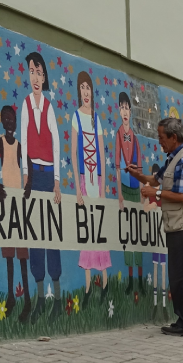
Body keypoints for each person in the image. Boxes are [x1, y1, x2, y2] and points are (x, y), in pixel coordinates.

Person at [127, 117, 183, 337]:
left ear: (173, 137)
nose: (159, 142)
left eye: (162, 137)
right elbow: (156, 179)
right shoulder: (174, 159)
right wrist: (138, 176)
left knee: (181, 277)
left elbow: (181, 195)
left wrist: (156, 194)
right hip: (180, 225)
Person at [20, 52, 63, 322]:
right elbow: (24, 139)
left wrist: (58, 181)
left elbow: (56, 144)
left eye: (38, 72)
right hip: (33, 174)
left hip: (48, 175)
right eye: (31, 72)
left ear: (44, 76)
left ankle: (57, 299)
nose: (35, 77)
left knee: (52, 236)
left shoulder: (48, 107)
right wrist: (25, 175)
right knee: (35, 235)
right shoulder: (25, 105)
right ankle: (38, 299)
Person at [71, 71, 110, 308]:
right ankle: (87, 287)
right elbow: (74, 155)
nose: (86, 92)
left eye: (89, 88)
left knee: (100, 232)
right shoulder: (76, 117)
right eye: (82, 87)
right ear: (79, 91)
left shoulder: (97, 119)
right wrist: (77, 188)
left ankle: (105, 283)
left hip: (97, 182)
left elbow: (103, 155)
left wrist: (103, 188)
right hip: (85, 180)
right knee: (87, 232)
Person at [0, 105, 31, 322]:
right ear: (2, 121)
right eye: (6, 118)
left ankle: (26, 299)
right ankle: (10, 296)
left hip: (19, 205)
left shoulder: (19, 146)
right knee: (9, 255)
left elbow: (29, 168)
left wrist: (28, 187)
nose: (10, 122)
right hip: (6, 205)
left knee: (22, 256)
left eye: (12, 119)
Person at [115, 92, 144, 295]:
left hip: (136, 189)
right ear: (119, 110)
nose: (125, 111)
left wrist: (142, 196)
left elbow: (141, 170)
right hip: (125, 189)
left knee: (138, 236)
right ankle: (131, 279)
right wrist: (119, 195)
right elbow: (117, 166)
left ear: (131, 112)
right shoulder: (118, 135)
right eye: (122, 108)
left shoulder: (135, 138)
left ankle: (141, 280)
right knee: (128, 235)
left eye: (127, 108)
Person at [144, 163, 170, 323]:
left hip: (163, 237)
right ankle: (155, 304)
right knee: (155, 268)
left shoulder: (164, 193)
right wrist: (151, 205)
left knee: (163, 269)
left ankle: (164, 304)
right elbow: (144, 208)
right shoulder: (151, 195)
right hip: (154, 237)